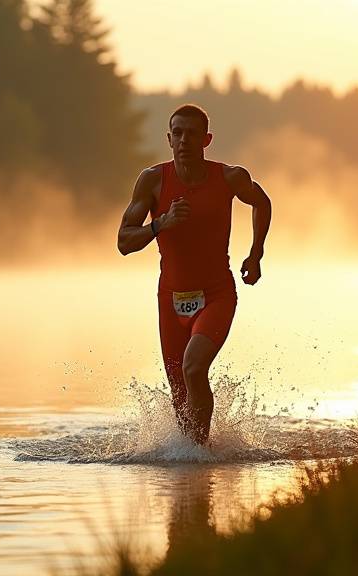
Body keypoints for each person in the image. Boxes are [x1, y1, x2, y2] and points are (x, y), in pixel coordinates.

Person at [116, 104, 272, 445]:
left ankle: (200, 455)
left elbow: (261, 202)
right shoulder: (153, 181)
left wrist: (256, 252)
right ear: (169, 139)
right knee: (180, 397)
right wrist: (160, 223)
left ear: (206, 139)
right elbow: (124, 242)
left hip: (216, 295)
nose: (184, 140)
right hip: (171, 300)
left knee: (193, 368)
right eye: (178, 133)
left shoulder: (228, 177)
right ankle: (192, 470)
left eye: (192, 134)